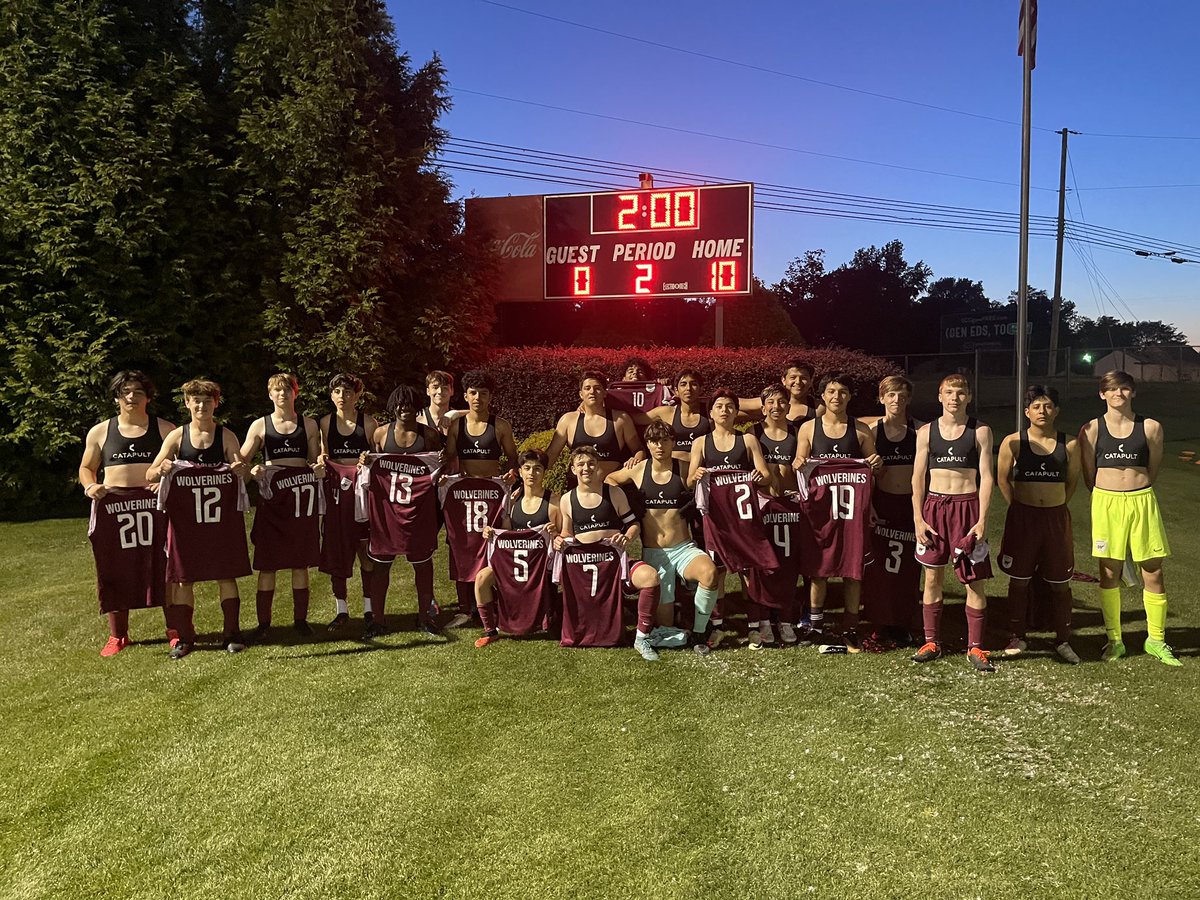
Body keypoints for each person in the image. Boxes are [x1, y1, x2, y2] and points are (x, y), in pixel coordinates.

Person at [1078, 370, 1179, 666]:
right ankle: (1115, 640)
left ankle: (1156, 640)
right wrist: (1108, 494)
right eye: (1111, 389)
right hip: (1106, 502)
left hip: (1141, 501)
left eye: (1124, 389)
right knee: (1109, 572)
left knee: (1153, 571)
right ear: (1102, 394)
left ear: (1132, 393)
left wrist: (1136, 490)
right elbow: (1088, 474)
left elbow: (1153, 468)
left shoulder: (1150, 428)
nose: (1118, 394)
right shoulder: (1091, 429)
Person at [147, 379, 251, 658]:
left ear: (216, 403)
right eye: (196, 400)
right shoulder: (177, 437)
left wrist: (242, 468)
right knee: (183, 580)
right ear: (187, 403)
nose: (201, 405)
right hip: (186, 523)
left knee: (226, 576)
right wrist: (163, 468)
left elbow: (243, 468)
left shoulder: (226, 435)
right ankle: (185, 637)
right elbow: (150, 473)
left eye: (207, 400)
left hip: (220, 521)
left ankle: (232, 632)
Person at [78, 370, 177, 656]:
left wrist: (164, 481)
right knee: (114, 568)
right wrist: (90, 486)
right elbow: (86, 468)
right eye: (126, 392)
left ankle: (174, 628)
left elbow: (178, 464)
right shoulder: (101, 431)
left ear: (149, 397)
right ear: (116, 398)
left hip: (155, 506)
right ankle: (118, 635)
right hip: (114, 507)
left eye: (138, 392)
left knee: (166, 566)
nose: (132, 397)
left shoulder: (165, 429)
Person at [606, 420, 720, 654]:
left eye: (665, 440)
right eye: (654, 441)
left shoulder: (684, 466)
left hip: (683, 548)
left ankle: (699, 633)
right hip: (654, 553)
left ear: (673, 443)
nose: (660, 446)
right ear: (647, 444)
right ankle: (673, 631)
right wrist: (627, 505)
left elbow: (710, 471)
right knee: (665, 625)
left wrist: (699, 474)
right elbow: (609, 480)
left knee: (710, 573)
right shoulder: (639, 469)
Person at [910, 373, 996, 672]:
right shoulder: (926, 432)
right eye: (949, 392)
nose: (954, 398)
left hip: (967, 510)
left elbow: (987, 478)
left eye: (960, 393)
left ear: (968, 397)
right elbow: (918, 479)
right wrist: (918, 518)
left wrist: (983, 519)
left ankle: (975, 647)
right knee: (932, 578)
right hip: (934, 508)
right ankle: (931, 641)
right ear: (939, 396)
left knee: (974, 582)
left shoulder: (980, 431)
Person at [792, 372, 881, 650]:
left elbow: (872, 472)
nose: (836, 397)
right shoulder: (808, 428)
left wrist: (876, 465)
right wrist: (799, 461)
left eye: (842, 391)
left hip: (853, 513)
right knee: (819, 570)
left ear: (850, 396)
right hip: (820, 513)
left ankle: (850, 627)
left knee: (853, 571)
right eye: (831, 391)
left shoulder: (861, 430)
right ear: (823, 395)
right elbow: (800, 461)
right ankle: (816, 625)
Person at [996, 385, 1082, 663]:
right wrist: (1018, 507)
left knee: (1060, 582)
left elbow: (1071, 483)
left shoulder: (1069, 444)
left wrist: (1055, 505)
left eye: (1047, 406)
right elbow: (1002, 479)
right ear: (1027, 412)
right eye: (1036, 406)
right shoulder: (1014, 441)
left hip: (1055, 519)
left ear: (1056, 410)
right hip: (1024, 518)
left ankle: (1063, 640)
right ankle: (1018, 636)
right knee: (1019, 580)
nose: (1042, 411)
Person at [556, 446, 662, 660]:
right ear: (573, 469)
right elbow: (567, 532)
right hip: (584, 568)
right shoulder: (567, 499)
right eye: (581, 464)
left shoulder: (613, 492)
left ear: (598, 467)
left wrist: (627, 537)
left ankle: (641, 638)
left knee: (649, 577)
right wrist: (560, 539)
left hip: (615, 566)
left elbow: (633, 525)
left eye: (591, 463)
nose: (586, 468)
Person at [239, 373, 323, 639]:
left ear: (295, 393)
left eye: (287, 389)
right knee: (268, 565)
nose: (282, 394)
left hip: (301, 502)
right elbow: (241, 463)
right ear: (270, 394)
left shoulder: (308, 425)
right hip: (273, 502)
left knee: (300, 564)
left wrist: (319, 465)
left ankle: (301, 621)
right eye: (277, 390)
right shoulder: (260, 426)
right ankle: (264, 624)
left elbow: (314, 459)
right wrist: (252, 471)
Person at [687, 388, 772, 644]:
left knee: (748, 572)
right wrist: (697, 475)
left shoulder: (747, 440)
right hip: (716, 521)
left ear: (736, 412)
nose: (724, 410)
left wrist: (759, 478)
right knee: (719, 572)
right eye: (719, 406)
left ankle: (754, 625)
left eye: (729, 406)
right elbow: (690, 481)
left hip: (743, 519)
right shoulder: (701, 443)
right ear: (711, 413)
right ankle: (718, 624)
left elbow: (765, 476)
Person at [363, 383, 445, 638]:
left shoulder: (429, 436)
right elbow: (372, 469)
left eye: (409, 404)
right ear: (392, 407)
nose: (404, 409)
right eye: (399, 404)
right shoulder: (380, 435)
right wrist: (366, 462)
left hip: (419, 511)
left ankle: (425, 618)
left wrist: (441, 466)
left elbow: (439, 469)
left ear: (416, 406)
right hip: (387, 511)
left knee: (422, 565)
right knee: (381, 566)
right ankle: (377, 620)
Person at [441, 370, 521, 626]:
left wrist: (513, 473)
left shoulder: (501, 425)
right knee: (460, 546)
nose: (478, 398)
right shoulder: (457, 426)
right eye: (473, 393)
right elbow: (448, 459)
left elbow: (513, 459)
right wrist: (443, 477)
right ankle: (464, 609)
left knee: (494, 547)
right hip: (463, 498)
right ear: (465, 396)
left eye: (483, 394)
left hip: (492, 498)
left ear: (490, 397)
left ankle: (494, 603)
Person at [473, 449, 563, 647]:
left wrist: (555, 533)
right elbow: (506, 534)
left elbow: (563, 539)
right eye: (527, 468)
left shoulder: (554, 502)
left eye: (538, 469)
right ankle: (490, 630)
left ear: (545, 472)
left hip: (541, 568)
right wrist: (490, 531)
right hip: (514, 565)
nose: (532, 473)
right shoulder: (512, 501)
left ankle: (555, 615)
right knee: (481, 578)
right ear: (520, 472)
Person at [859, 375, 923, 649]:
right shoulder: (873, 432)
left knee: (909, 567)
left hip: (910, 505)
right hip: (882, 503)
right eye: (891, 395)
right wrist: (870, 505)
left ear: (908, 399)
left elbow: (926, 474)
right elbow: (864, 475)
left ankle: (904, 622)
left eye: (902, 396)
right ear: (882, 398)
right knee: (879, 567)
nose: (897, 400)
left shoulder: (919, 430)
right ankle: (879, 621)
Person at [317, 373, 379, 631]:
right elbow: (321, 456)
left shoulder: (369, 423)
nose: (343, 397)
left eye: (348, 392)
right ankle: (341, 611)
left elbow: (378, 458)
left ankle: (368, 609)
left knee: (366, 554)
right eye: (338, 392)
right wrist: (321, 461)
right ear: (331, 396)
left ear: (357, 395)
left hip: (362, 496)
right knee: (337, 554)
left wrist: (369, 460)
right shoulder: (324, 423)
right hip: (335, 496)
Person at [546, 371, 646, 478]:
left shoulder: (621, 419)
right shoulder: (568, 421)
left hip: (611, 487)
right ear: (581, 394)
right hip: (578, 489)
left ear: (605, 393)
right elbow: (551, 454)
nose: (592, 392)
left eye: (597, 388)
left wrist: (636, 459)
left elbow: (639, 450)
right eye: (587, 388)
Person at [739, 358, 822, 424]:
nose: (798, 382)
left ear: (811, 381)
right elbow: (734, 404)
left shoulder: (820, 408)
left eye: (803, 378)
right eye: (793, 377)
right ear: (783, 380)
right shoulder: (770, 403)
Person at [420, 370, 462, 434]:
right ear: (428, 391)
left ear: (452, 391)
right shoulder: (419, 418)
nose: (440, 391)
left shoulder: (458, 418)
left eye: (445, 388)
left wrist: (454, 413)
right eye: (435, 387)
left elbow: (478, 415)